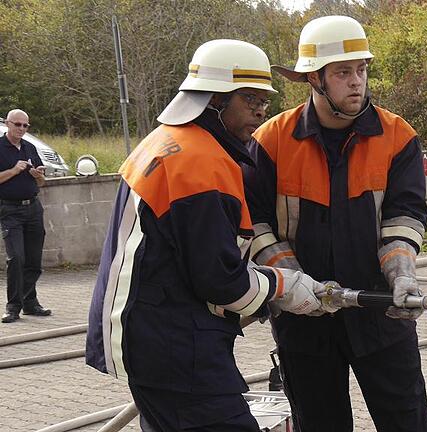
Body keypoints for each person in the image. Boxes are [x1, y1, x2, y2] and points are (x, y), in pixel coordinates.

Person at [85, 39, 337, 431]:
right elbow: (220, 281)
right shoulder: (202, 164)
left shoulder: (168, 142)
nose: (260, 111)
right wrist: (285, 286)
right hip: (175, 346)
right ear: (215, 100)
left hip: (149, 336)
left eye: (264, 102)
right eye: (250, 99)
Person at [244, 16, 427, 432]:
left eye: (361, 69)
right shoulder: (271, 141)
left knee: (409, 422)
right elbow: (254, 221)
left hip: (381, 316)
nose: (356, 81)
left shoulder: (396, 136)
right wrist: (293, 282)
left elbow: (405, 216)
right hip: (303, 322)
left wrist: (402, 274)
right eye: (342, 72)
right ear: (314, 79)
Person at [0, 109, 50, 323]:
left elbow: (41, 183)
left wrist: (38, 176)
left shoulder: (30, 147)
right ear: (7, 124)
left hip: (33, 208)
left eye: (25, 126)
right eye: (17, 124)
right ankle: (13, 306)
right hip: (10, 210)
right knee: (16, 258)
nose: (21, 129)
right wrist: (14, 170)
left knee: (33, 260)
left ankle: (30, 302)